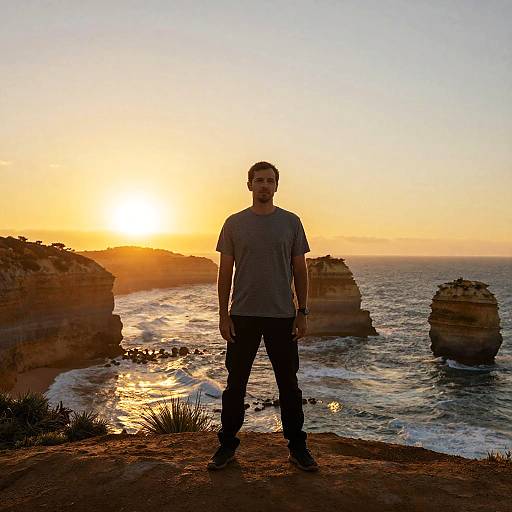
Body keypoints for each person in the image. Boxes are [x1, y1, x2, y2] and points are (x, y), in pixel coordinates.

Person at [207, 161, 318, 472]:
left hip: (282, 316)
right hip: (242, 316)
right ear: (249, 185)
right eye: (259, 181)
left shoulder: (292, 223)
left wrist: (302, 312)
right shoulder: (233, 224)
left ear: (276, 186)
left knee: (289, 385)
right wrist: (222, 315)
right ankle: (227, 446)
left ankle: (297, 447)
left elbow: (300, 270)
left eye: (270, 181)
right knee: (235, 385)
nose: (264, 186)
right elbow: (225, 272)